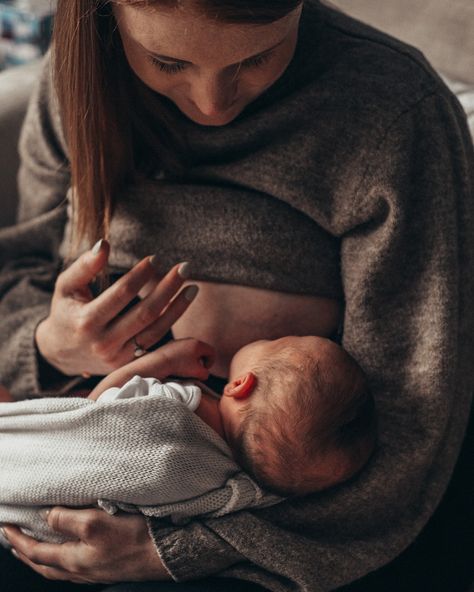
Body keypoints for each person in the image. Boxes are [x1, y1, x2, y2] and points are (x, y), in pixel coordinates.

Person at [0, 0, 472, 591]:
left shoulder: (396, 112)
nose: (212, 105)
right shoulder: (79, 79)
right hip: (54, 457)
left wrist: (180, 550)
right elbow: (16, 273)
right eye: (167, 61)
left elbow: (413, 422)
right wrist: (50, 346)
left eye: (257, 58)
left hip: (278, 528)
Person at [0, 334, 375, 546]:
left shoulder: (177, 406)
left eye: (277, 340)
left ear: (241, 384)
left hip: (37, 458)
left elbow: (99, 410)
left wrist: (163, 361)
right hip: (41, 529)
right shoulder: (230, 486)